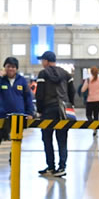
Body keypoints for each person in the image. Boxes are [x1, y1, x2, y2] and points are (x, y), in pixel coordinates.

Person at [0, 56, 35, 173]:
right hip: (2, 116)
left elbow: (28, 98)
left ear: (16, 68)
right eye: (8, 66)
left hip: (18, 117)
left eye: (13, 67)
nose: (11, 69)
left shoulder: (22, 81)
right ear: (4, 68)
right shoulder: (1, 80)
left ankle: (14, 164)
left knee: (16, 142)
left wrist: (30, 112)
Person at [35, 50, 75, 178]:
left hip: (48, 109)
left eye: (42, 60)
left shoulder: (43, 73)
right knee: (62, 139)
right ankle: (62, 167)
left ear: (46, 61)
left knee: (47, 138)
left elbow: (39, 94)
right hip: (63, 109)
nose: (42, 62)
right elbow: (72, 91)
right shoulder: (66, 74)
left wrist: (39, 110)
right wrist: (69, 104)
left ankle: (51, 166)